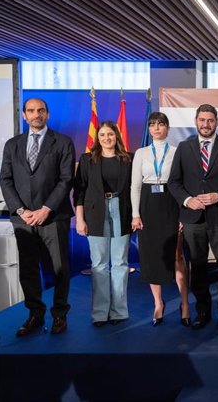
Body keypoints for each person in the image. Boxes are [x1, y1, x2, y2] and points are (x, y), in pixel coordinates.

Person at [0, 98, 75, 336]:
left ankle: (60, 315)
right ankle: (35, 314)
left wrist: (46, 209)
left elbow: (66, 180)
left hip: (53, 217)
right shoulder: (12, 145)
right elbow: (6, 179)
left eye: (40, 110)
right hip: (24, 219)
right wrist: (21, 210)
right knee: (28, 269)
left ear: (48, 114)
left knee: (59, 268)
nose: (36, 114)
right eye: (31, 111)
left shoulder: (62, 142)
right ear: (24, 115)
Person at [168, 104, 218, 330]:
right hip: (193, 219)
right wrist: (187, 200)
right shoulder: (183, 147)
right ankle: (202, 310)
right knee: (198, 268)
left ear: (216, 122)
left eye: (210, 120)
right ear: (196, 121)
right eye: (202, 120)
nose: (206, 124)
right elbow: (174, 182)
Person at [131, 112, 190, 327]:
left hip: (171, 204)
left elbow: (183, 185)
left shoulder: (177, 152)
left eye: (161, 124)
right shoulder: (140, 153)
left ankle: (185, 304)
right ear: (148, 128)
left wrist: (183, 214)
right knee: (151, 256)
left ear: (168, 127)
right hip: (147, 206)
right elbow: (135, 186)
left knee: (177, 256)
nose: (157, 128)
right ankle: (158, 303)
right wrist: (135, 214)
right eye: (152, 124)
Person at [74, 121, 133, 327]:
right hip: (94, 214)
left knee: (120, 264)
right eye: (102, 135)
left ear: (116, 136)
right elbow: (79, 193)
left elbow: (135, 190)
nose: (106, 138)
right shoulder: (87, 159)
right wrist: (80, 219)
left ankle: (118, 311)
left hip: (122, 212)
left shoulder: (128, 159)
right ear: (97, 139)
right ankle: (100, 313)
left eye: (110, 134)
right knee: (98, 265)